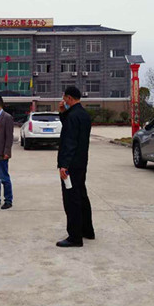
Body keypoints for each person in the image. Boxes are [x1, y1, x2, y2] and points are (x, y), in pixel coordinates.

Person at [56, 86, 94, 247]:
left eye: (64, 98)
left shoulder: (72, 116)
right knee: (81, 196)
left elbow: (69, 142)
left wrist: (63, 165)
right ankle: (87, 230)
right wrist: (63, 112)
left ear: (69, 98)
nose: (63, 101)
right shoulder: (83, 114)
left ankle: (75, 237)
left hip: (71, 165)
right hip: (81, 162)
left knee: (71, 200)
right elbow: (73, 130)